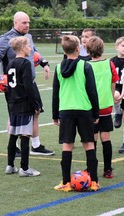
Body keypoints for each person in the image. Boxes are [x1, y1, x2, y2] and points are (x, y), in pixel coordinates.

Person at [0, 11, 54, 157]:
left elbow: (35, 52)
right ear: (16, 23)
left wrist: (44, 63)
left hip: (30, 82)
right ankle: (15, 147)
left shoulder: (28, 37)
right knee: (14, 114)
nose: (27, 25)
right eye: (24, 22)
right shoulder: (5, 39)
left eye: (28, 22)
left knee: (36, 112)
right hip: (14, 85)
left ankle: (36, 145)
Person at [52, 35, 100, 192]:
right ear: (78, 48)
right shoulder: (85, 66)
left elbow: (55, 93)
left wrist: (55, 114)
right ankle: (94, 181)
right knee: (89, 144)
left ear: (64, 50)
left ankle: (66, 182)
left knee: (67, 146)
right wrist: (96, 113)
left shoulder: (59, 68)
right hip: (84, 110)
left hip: (66, 111)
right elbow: (92, 91)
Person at [5, 36, 41, 177]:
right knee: (25, 135)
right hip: (24, 103)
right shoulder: (25, 63)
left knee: (13, 135)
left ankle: (10, 165)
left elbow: (9, 86)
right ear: (21, 48)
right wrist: (35, 104)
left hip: (13, 103)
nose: (30, 48)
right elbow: (28, 86)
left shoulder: (10, 63)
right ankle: (24, 168)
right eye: (28, 46)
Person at [86, 36, 119, 178]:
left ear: (87, 50)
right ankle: (107, 169)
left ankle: (90, 169)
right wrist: (111, 98)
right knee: (105, 138)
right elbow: (113, 83)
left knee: (92, 139)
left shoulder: (85, 66)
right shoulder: (109, 64)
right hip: (106, 105)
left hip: (91, 107)